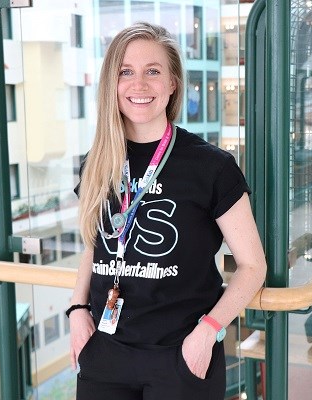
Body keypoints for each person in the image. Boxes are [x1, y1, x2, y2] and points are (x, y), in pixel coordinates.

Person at [67, 22, 267, 399]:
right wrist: (77, 310)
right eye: (126, 72)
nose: (138, 84)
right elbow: (93, 247)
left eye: (152, 71)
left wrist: (208, 331)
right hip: (105, 353)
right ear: (112, 83)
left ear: (173, 83)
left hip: (181, 354)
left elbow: (254, 266)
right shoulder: (97, 162)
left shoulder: (212, 167)